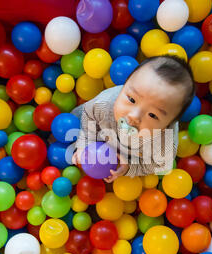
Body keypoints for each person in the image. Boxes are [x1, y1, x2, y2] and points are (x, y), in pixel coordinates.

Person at [71, 55, 196, 183]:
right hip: (100, 128)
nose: (134, 116)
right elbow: (88, 117)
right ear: (124, 85)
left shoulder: (164, 145)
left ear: (167, 126)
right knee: (72, 122)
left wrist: (129, 167)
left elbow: (158, 165)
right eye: (131, 99)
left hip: (130, 153)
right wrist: (84, 144)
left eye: (152, 115)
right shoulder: (103, 104)